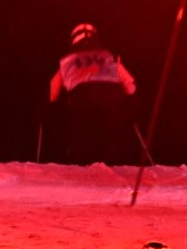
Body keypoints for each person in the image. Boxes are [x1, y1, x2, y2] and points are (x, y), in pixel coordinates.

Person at [48, 23, 138, 164]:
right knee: (111, 138)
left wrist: (51, 104)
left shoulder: (68, 60)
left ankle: (82, 165)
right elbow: (129, 84)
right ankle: (112, 166)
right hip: (111, 98)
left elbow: (54, 87)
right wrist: (130, 101)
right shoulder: (108, 56)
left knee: (82, 137)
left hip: (81, 99)